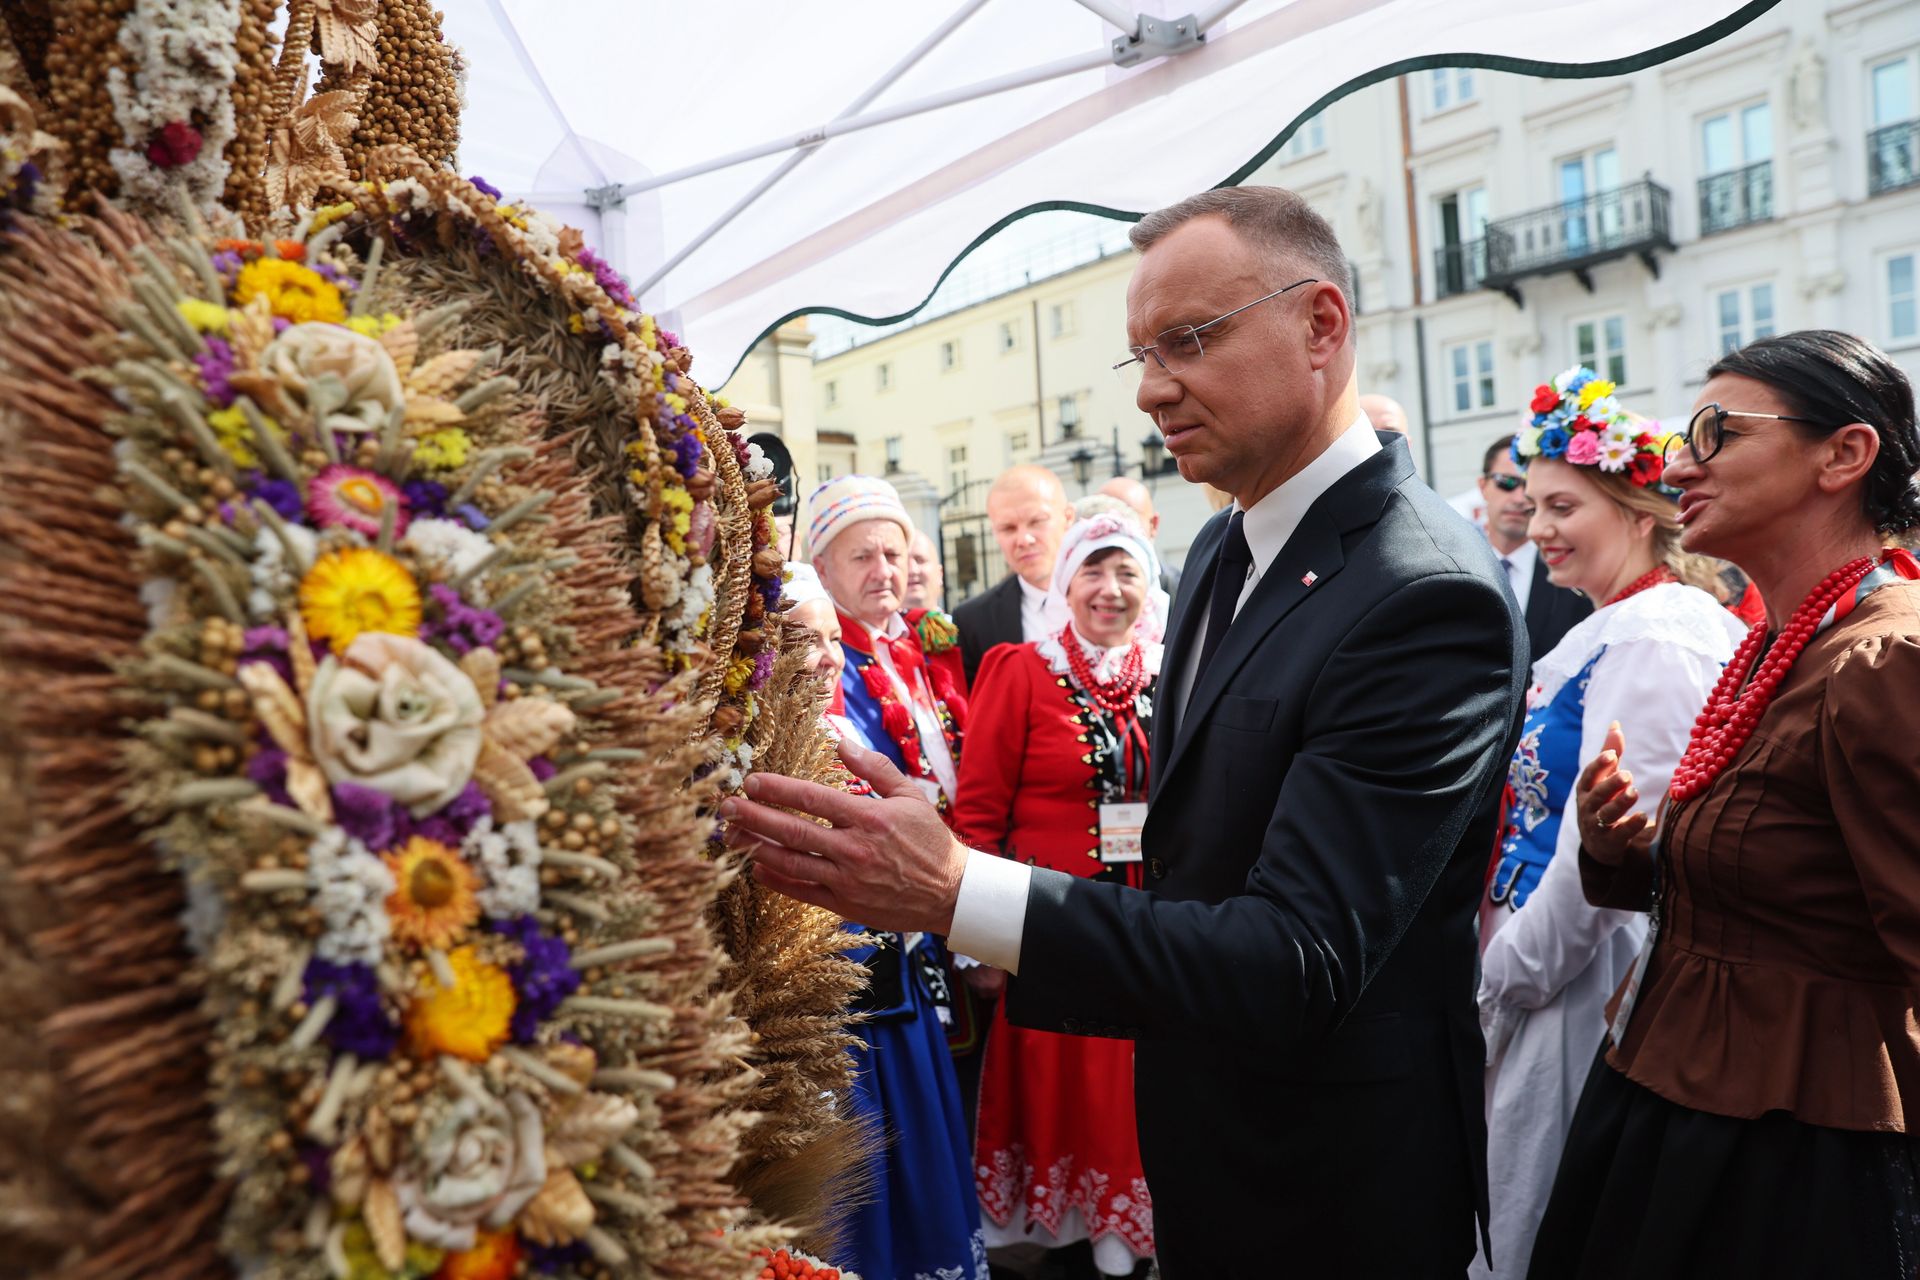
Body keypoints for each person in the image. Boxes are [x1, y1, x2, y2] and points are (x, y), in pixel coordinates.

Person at [722, 186, 1526, 1276]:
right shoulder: (1221, 556)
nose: (1153, 389)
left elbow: (1294, 956)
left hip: (1331, 1190)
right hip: (1207, 1149)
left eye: (1189, 341)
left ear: (1321, 326)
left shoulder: (1424, 595)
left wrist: (962, 887)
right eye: (1140, 354)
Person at [1530, 330, 1920, 1278]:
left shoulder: (1885, 656)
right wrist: (1621, 848)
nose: (1679, 461)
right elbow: (1767, 884)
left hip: (1797, 1154)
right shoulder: (1775, 642)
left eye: (1717, 431)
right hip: (1682, 1106)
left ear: (1844, 453)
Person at [1469, 372, 1745, 1277]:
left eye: (1562, 505)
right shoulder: (1615, 627)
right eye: (1527, 502)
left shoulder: (1653, 641)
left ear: (1635, 510)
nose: (1537, 525)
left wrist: (1506, 975)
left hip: (1586, 984)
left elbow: (1616, 848)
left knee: (1548, 1218)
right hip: (1554, 965)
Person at [958, 513, 1169, 1277]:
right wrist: (980, 938)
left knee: (1129, 1079)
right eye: (1093, 572)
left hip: (1148, 917)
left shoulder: (1170, 670)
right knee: (1059, 1073)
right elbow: (978, 812)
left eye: (1128, 575)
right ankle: (1063, 1244)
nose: (1109, 592)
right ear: (1066, 581)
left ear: (1149, 589)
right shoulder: (1020, 668)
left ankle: (1126, 1242)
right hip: (1043, 919)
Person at [782, 565, 990, 1280]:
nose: (828, 656)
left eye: (834, 639)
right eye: (803, 639)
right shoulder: (752, 755)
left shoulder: (846, 733)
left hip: (896, 1001)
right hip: (820, 1023)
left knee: (918, 1174)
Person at [805, 474, 968, 811]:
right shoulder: (821, 661)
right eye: (862, 557)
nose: (883, 572)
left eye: (893, 555)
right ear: (822, 570)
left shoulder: (931, 638)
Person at [954, 464, 1070, 686]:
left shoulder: (1111, 597)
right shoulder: (974, 623)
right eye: (1008, 528)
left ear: (1068, 517)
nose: (1024, 539)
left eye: (1036, 521)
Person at [1482, 434, 1592, 661]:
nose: (1519, 497)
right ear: (1483, 486)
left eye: (1528, 486)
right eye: (1507, 482)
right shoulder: (1453, 566)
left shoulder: (1575, 577)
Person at [1098, 474, 1182, 595]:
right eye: (1103, 518)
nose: (1115, 528)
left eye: (1127, 517)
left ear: (1153, 524)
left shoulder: (1181, 589)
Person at [906, 528, 947, 612]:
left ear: (940, 574)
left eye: (920, 560)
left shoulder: (962, 624)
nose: (912, 570)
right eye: (903, 562)